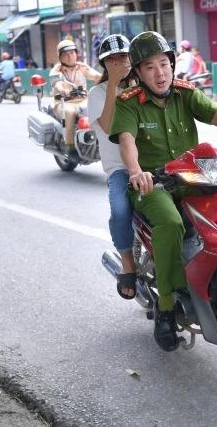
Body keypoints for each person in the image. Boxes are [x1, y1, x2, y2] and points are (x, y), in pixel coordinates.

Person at [109, 31, 217, 352]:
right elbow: (127, 142)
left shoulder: (185, 93)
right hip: (153, 184)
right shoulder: (128, 104)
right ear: (138, 73)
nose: (161, 73)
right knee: (170, 223)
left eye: (165, 64)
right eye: (151, 67)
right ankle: (166, 308)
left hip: (194, 177)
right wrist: (137, 172)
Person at [87, 34, 138, 299]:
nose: (119, 62)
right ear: (104, 64)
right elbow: (107, 127)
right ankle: (127, 262)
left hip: (150, 161)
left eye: (123, 56)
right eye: (112, 59)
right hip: (120, 167)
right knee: (120, 211)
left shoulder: (143, 83)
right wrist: (113, 87)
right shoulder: (96, 94)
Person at [49, 39, 101, 160]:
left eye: (72, 52)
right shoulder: (57, 70)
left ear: (76, 53)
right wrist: (63, 90)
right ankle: (70, 146)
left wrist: (109, 79)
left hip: (82, 100)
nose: (70, 56)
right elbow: (56, 83)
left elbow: (96, 76)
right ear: (60, 56)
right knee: (70, 112)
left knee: (101, 107)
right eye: (66, 54)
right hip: (64, 102)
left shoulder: (82, 67)